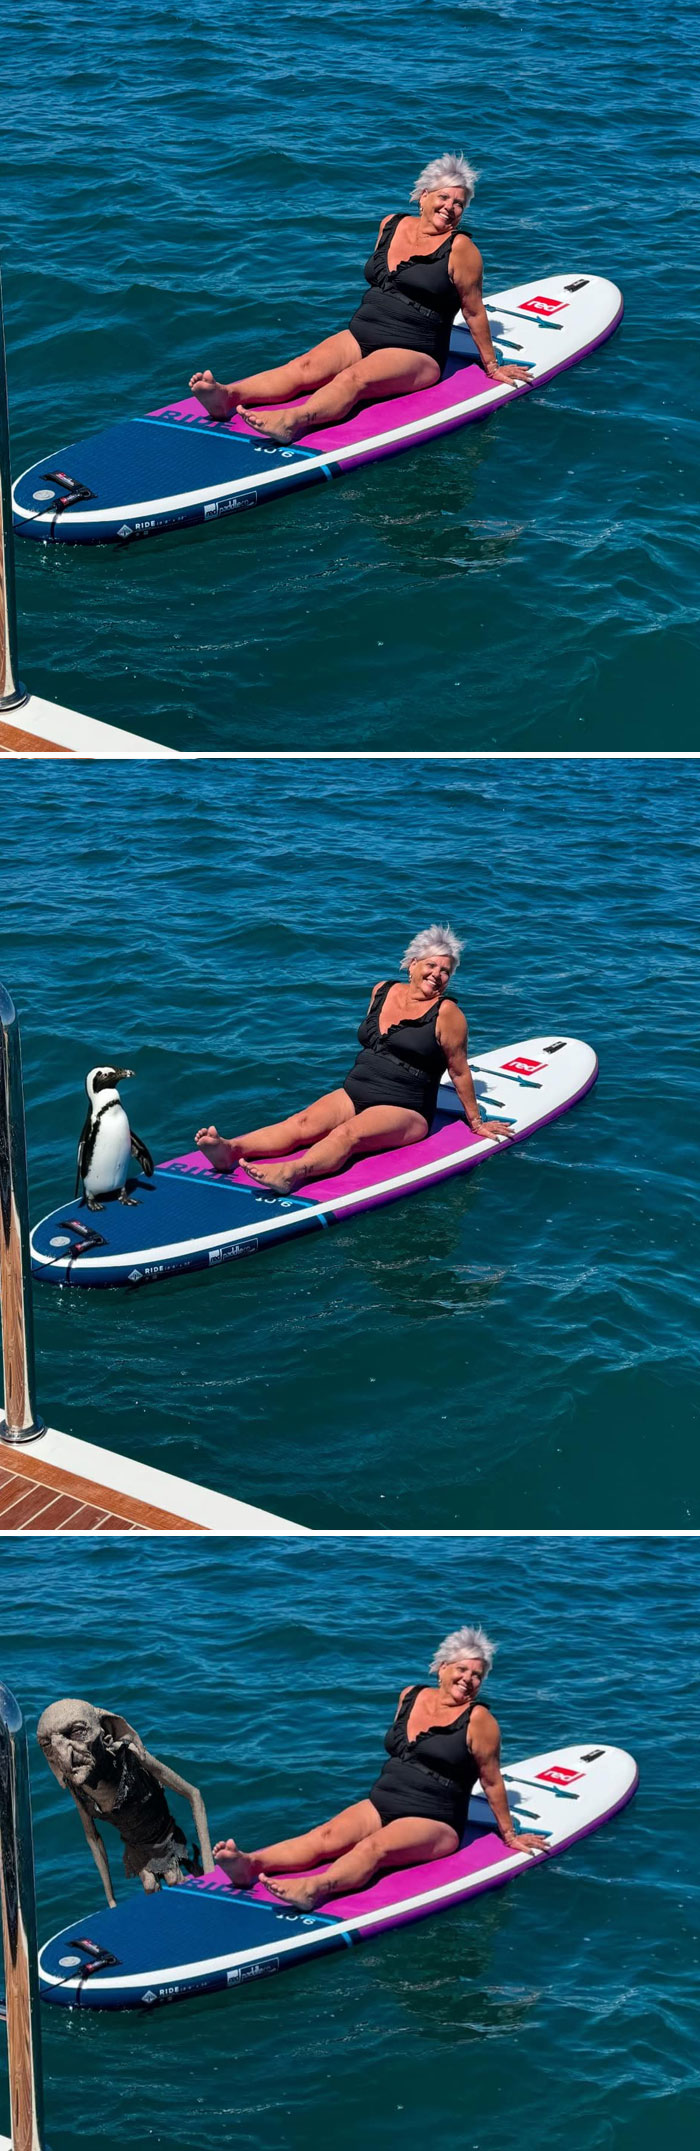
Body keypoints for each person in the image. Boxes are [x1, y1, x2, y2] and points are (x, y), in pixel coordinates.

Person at [188, 152, 530, 443]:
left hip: (416, 350)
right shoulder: (391, 224)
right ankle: (227, 396)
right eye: (444, 197)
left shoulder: (461, 249)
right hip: (363, 333)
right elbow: (384, 284)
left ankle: (294, 420)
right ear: (424, 195)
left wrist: (492, 366)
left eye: (459, 203)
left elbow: (473, 311)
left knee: (353, 379)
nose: (451, 207)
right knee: (303, 368)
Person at [212, 1625, 548, 1911]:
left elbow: (491, 1781)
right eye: (463, 1669)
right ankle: (249, 1865)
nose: (469, 1679)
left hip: (435, 1820)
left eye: (477, 1675)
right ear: (443, 1666)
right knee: (324, 1837)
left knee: (373, 1848)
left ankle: (316, 1888)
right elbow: (403, 1755)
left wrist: (509, 1834)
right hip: (382, 1803)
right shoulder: (410, 1696)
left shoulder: (480, 1720)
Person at [195, 924, 507, 1196]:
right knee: (300, 1124)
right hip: (355, 1091)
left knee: (347, 1134)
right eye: (432, 966)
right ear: (412, 964)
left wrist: (476, 1122)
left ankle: (293, 1172)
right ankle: (229, 1150)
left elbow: (459, 1071)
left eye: (446, 972)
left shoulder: (448, 1014)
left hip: (405, 1108)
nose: (438, 975)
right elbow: (377, 1048)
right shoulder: (382, 991)